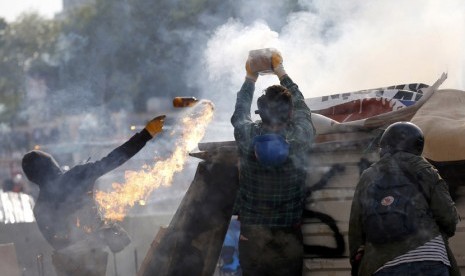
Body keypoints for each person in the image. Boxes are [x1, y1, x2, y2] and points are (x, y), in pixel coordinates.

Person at [21, 115, 166, 276]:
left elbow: (59, 242)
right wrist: (146, 134)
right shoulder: (75, 176)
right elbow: (114, 159)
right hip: (87, 258)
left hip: (65, 264)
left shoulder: (39, 208)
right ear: (51, 165)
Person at [231, 48, 315, 276]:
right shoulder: (298, 139)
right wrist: (281, 71)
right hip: (288, 236)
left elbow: (239, 114)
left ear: (261, 112)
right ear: (289, 114)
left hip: (253, 237)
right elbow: (302, 109)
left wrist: (250, 77)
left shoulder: (248, 137)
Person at [348, 121, 460, 276]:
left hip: (381, 263)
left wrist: (357, 259)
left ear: (385, 146)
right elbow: (448, 218)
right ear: (417, 146)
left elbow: (356, 228)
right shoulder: (426, 170)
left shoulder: (368, 176)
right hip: (430, 259)